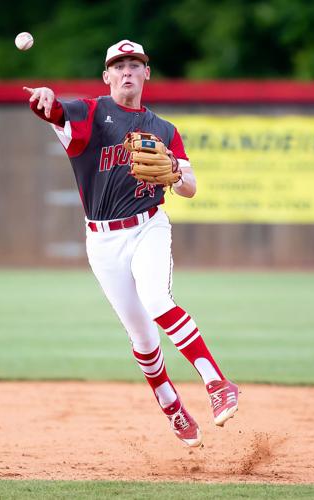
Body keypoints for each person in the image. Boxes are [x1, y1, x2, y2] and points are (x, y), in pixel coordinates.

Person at [24, 39, 238, 447]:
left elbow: (190, 187)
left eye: (134, 65)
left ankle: (218, 383)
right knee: (141, 337)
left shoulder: (164, 130)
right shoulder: (89, 113)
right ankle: (172, 406)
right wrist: (43, 100)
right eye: (118, 65)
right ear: (107, 76)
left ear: (146, 73)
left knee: (158, 300)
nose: (126, 71)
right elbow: (49, 109)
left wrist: (175, 170)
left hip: (148, 227)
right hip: (102, 241)